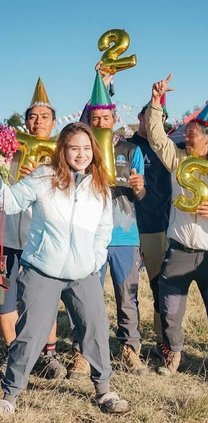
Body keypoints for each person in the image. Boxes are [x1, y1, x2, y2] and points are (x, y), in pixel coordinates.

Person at [0, 122, 128, 415]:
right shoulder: (44, 177)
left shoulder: (100, 185)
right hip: (42, 270)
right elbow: (10, 201)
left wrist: (94, 260)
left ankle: (104, 390)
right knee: (30, 333)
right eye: (74, 148)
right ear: (62, 149)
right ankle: (10, 394)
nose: (80, 154)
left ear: (93, 151)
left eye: (86, 148)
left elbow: (104, 228)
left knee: (95, 328)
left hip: (83, 273)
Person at [145, 74, 208, 376]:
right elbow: (156, 136)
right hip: (178, 249)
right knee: (170, 308)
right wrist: (156, 101)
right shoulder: (178, 161)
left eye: (192, 134)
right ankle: (173, 354)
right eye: (186, 133)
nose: (186, 138)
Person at [69, 71, 147, 378]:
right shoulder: (82, 151)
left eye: (106, 117)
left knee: (127, 297)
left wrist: (139, 187)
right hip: (88, 237)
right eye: (96, 117)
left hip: (124, 236)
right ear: (89, 118)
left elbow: (141, 195)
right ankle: (82, 352)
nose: (102, 122)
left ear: (114, 118)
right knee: (86, 297)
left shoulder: (131, 150)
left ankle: (130, 349)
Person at [0, 77, 67, 379]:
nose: (38, 122)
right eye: (32, 116)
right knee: (5, 299)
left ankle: (48, 353)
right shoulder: (10, 152)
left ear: (54, 122)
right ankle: (16, 355)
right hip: (9, 237)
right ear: (25, 122)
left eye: (44, 117)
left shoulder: (61, 157)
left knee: (43, 300)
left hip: (42, 240)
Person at [127, 98, 171, 354]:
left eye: (160, 118)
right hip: (128, 226)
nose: (154, 122)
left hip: (158, 226)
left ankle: (162, 339)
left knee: (160, 286)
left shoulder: (168, 149)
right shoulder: (126, 146)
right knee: (126, 289)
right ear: (141, 118)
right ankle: (130, 341)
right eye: (149, 116)